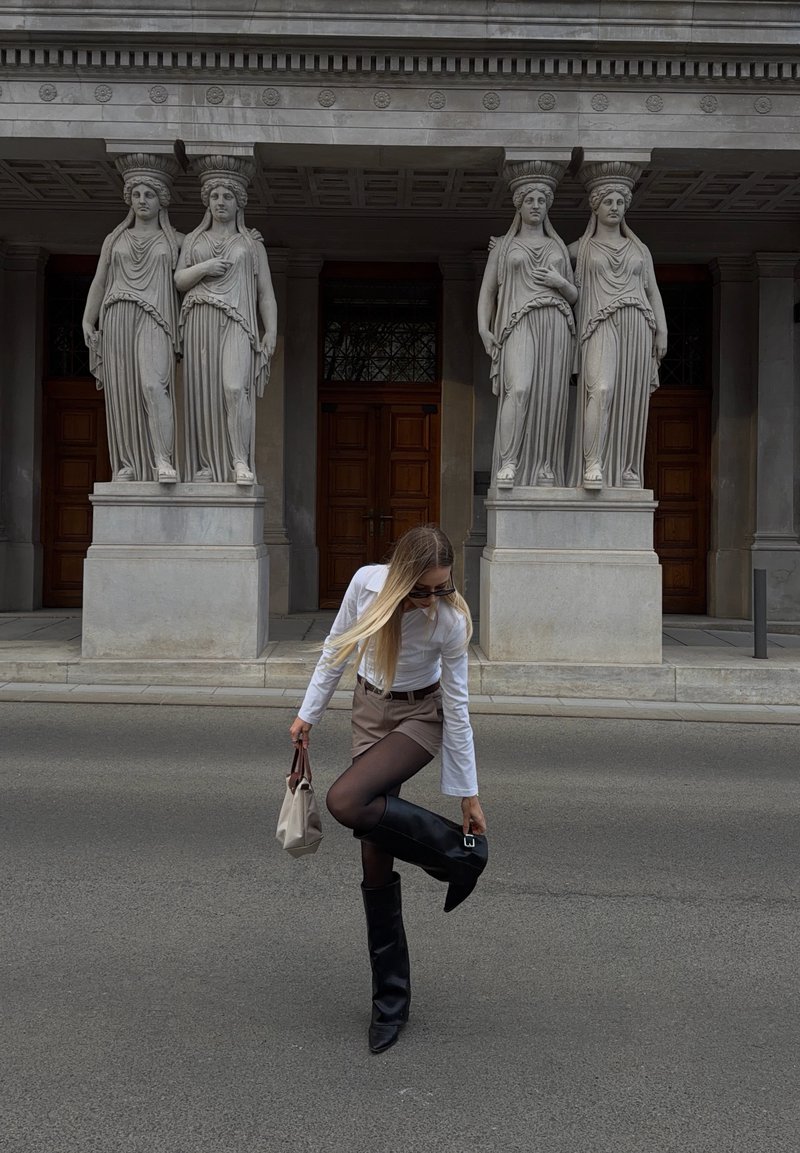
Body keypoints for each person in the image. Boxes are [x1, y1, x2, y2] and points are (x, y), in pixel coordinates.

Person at [289, 523, 488, 1055]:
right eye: (422, 590)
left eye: (443, 587)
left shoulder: (450, 620)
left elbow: (459, 708)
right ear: (400, 578)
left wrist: (468, 795)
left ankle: (458, 853)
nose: (432, 599)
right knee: (374, 860)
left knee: (345, 800)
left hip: (421, 717)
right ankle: (390, 1002)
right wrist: (308, 714)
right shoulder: (366, 584)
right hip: (369, 711)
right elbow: (335, 649)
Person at [175, 160, 277, 485]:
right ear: (207, 201)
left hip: (238, 321)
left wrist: (271, 330)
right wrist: (204, 268)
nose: (220, 202)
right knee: (204, 393)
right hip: (200, 319)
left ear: (238, 202)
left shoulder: (251, 244)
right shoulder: (193, 240)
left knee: (234, 389)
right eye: (215, 196)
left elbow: (265, 292)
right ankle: (207, 465)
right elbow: (179, 280)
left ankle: (239, 460)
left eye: (227, 196)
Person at [82, 155, 182, 484]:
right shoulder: (115, 240)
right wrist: (88, 319)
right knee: (122, 392)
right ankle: (126, 465)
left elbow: (215, 248)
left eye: (149, 194)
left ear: (161, 200)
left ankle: (163, 459)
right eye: (136, 194)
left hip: (156, 318)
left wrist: (248, 239)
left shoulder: (175, 240)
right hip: (117, 315)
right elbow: (100, 281)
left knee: (154, 386)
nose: (142, 200)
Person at [568, 178, 668, 490]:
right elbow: (542, 252)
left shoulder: (639, 249)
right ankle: (593, 462)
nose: (615, 207)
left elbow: (652, 291)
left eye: (620, 202)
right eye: (608, 202)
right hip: (599, 323)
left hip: (638, 323)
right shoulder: (581, 248)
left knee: (631, 397)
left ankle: (627, 467)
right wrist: (503, 247)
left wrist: (662, 330)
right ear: (595, 206)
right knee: (602, 389)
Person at [477, 177, 576, 488]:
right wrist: (483, 328)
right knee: (519, 389)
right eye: (530, 200)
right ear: (519, 205)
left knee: (550, 396)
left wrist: (560, 283)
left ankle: (545, 466)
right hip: (517, 322)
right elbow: (488, 292)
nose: (536, 206)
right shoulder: (503, 246)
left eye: (541, 201)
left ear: (547, 207)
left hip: (555, 322)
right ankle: (509, 461)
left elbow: (575, 295)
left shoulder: (557, 247)